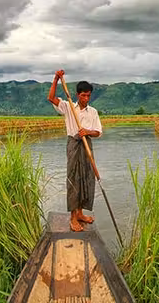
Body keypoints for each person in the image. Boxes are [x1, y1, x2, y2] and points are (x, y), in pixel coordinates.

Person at [47, 69, 103, 232]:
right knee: (74, 178)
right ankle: (72, 217)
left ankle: (80, 213)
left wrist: (87, 132)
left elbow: (98, 132)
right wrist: (56, 79)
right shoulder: (68, 106)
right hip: (73, 145)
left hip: (87, 145)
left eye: (88, 95)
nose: (86, 98)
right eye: (83, 95)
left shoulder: (93, 112)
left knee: (86, 178)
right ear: (78, 95)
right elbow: (51, 98)